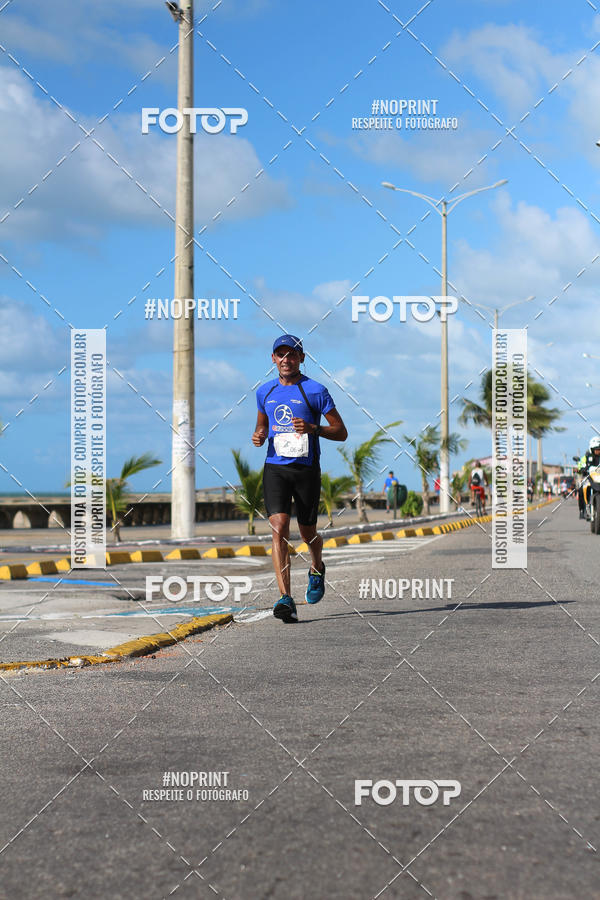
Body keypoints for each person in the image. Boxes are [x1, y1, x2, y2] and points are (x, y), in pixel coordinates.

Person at [252, 335, 348, 624]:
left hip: (306, 470)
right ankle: (285, 599)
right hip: (275, 468)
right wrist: (257, 436)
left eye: (291, 355)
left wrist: (312, 428)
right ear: (273, 359)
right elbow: (261, 426)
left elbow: (341, 432)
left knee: (308, 534)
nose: (286, 360)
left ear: (301, 358)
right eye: (280, 355)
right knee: (279, 527)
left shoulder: (315, 391)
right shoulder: (264, 392)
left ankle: (317, 566)